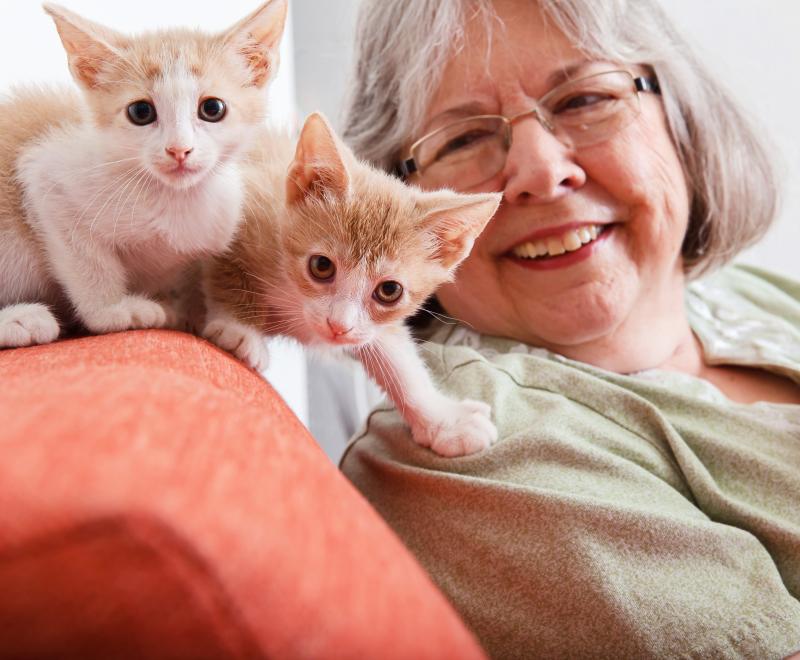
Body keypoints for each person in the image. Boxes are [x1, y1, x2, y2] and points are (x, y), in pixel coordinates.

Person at [338, 0, 800, 657]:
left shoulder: (748, 297)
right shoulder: (463, 446)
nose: (540, 170)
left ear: (681, 119)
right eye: (462, 140)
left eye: (585, 99)